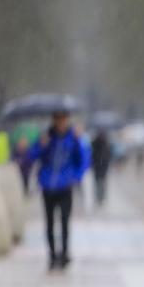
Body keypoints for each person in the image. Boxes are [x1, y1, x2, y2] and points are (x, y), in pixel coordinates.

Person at [29, 110, 88, 270]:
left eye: (64, 119)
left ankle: (64, 253)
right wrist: (41, 145)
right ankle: (52, 254)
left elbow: (82, 160)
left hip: (65, 186)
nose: (61, 123)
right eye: (58, 119)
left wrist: (75, 177)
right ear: (54, 120)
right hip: (48, 186)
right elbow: (32, 156)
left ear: (67, 120)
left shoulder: (73, 138)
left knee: (64, 221)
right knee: (49, 223)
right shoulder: (46, 137)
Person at [91, 131, 112, 206]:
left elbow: (109, 155)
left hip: (100, 167)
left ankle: (100, 197)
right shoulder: (105, 144)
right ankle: (100, 197)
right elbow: (109, 155)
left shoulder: (95, 143)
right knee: (101, 183)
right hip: (100, 166)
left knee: (99, 183)